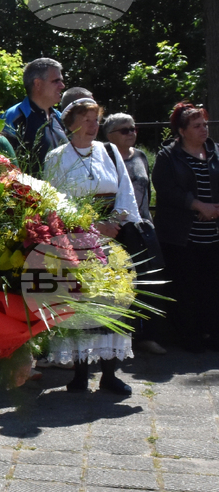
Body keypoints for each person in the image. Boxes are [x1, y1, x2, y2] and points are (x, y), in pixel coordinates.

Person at [43, 98, 140, 395]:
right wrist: (91, 226)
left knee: (112, 303)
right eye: (86, 119)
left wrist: (114, 222)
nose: (92, 125)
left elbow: (125, 192)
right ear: (71, 124)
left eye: (95, 119)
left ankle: (109, 374)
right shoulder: (56, 158)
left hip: (111, 239)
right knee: (80, 305)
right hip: (76, 242)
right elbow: (54, 202)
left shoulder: (109, 151)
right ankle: (80, 374)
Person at [151, 102, 219, 353]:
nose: (204, 129)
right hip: (181, 235)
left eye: (205, 124)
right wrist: (198, 205)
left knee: (212, 287)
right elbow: (166, 190)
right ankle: (189, 337)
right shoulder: (168, 156)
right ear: (181, 131)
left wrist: (214, 209)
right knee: (185, 287)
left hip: (213, 233)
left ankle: (212, 333)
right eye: (197, 126)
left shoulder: (215, 152)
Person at [103, 112, 167, 355]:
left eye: (134, 128)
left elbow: (146, 193)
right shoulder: (104, 158)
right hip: (116, 229)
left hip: (142, 226)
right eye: (125, 130)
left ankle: (148, 336)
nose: (132, 133)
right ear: (109, 135)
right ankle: (120, 338)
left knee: (150, 280)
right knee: (120, 284)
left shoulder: (140, 156)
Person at [2, 57, 67, 173]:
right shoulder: (14, 117)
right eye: (56, 81)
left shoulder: (59, 117)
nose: (62, 86)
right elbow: (1, 163)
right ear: (37, 84)